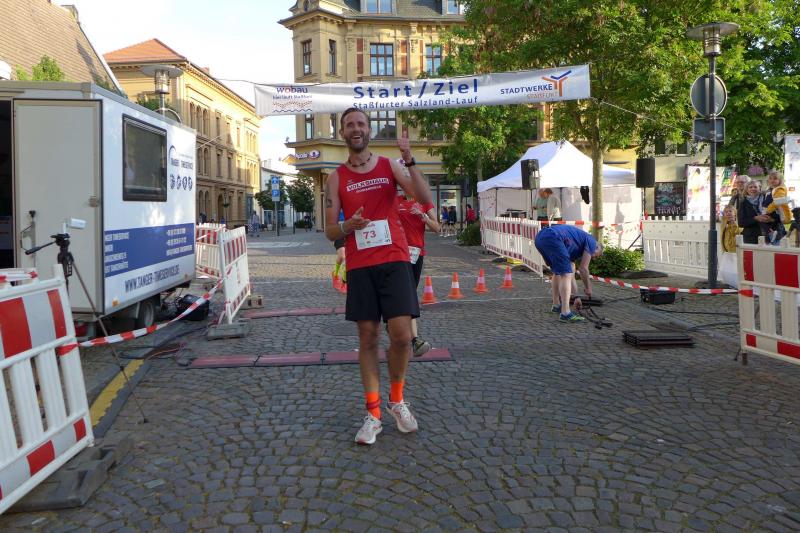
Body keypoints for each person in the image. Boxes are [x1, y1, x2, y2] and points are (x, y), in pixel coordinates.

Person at [324, 107, 433, 446]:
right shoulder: (335, 178)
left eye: (361, 123)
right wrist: (348, 225)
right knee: (368, 337)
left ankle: (396, 400)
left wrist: (409, 159)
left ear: (369, 130)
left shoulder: (390, 166)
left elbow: (424, 199)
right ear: (342, 133)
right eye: (349, 125)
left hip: (395, 258)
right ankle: (373, 414)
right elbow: (330, 230)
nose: (355, 129)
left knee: (401, 336)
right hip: (361, 264)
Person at [397, 190, 440, 357]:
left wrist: (425, 218)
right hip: (398, 254)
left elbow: (437, 228)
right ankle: (415, 339)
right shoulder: (395, 201)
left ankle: (396, 323)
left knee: (409, 294)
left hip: (416, 254)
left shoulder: (424, 202)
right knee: (408, 294)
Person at [534, 225, 603, 322]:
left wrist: (576, 296)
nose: (593, 257)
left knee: (558, 273)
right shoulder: (592, 241)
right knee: (565, 274)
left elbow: (571, 275)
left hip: (540, 238)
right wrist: (588, 288)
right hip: (553, 237)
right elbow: (583, 269)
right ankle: (565, 313)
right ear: (597, 247)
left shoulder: (574, 247)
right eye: (596, 255)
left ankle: (556, 306)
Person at [737, 180, 772, 244]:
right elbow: (741, 223)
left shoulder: (766, 199)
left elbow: (776, 214)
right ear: (747, 190)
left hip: (769, 234)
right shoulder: (743, 203)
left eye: (755, 187)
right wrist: (755, 218)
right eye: (750, 187)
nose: (753, 189)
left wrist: (771, 219)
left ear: (759, 188)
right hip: (752, 237)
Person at [762, 170, 790, 244]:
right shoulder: (770, 190)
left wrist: (768, 209)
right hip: (770, 211)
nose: (772, 180)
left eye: (775, 178)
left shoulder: (780, 189)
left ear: (780, 180)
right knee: (764, 223)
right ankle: (772, 234)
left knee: (769, 223)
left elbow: (777, 201)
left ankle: (776, 234)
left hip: (775, 212)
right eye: (770, 178)